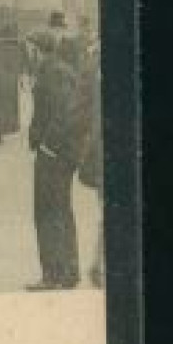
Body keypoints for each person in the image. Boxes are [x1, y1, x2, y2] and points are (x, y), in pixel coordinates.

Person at [26, 31, 82, 289]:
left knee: (47, 211)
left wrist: (48, 145)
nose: (27, 53)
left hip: (54, 155)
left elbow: (66, 112)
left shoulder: (52, 72)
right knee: (61, 209)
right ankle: (68, 271)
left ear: (38, 49)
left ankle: (52, 273)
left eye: (29, 48)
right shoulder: (58, 70)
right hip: (61, 153)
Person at [77, 34, 105, 288]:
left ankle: (98, 265)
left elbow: (83, 112)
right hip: (104, 148)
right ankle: (98, 265)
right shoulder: (93, 66)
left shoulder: (91, 66)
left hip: (100, 149)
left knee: (106, 210)